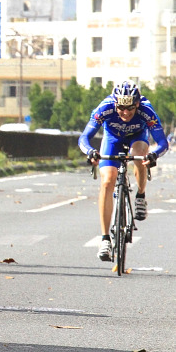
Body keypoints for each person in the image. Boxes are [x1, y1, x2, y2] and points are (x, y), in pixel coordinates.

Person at [78, 80, 169, 261]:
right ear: (115, 103)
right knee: (107, 181)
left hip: (138, 138)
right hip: (112, 139)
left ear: (137, 104)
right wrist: (90, 152)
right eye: (121, 108)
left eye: (130, 109)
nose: (125, 113)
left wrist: (154, 155)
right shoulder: (105, 108)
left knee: (140, 154)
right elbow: (84, 137)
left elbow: (162, 143)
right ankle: (105, 239)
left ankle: (141, 196)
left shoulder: (146, 110)